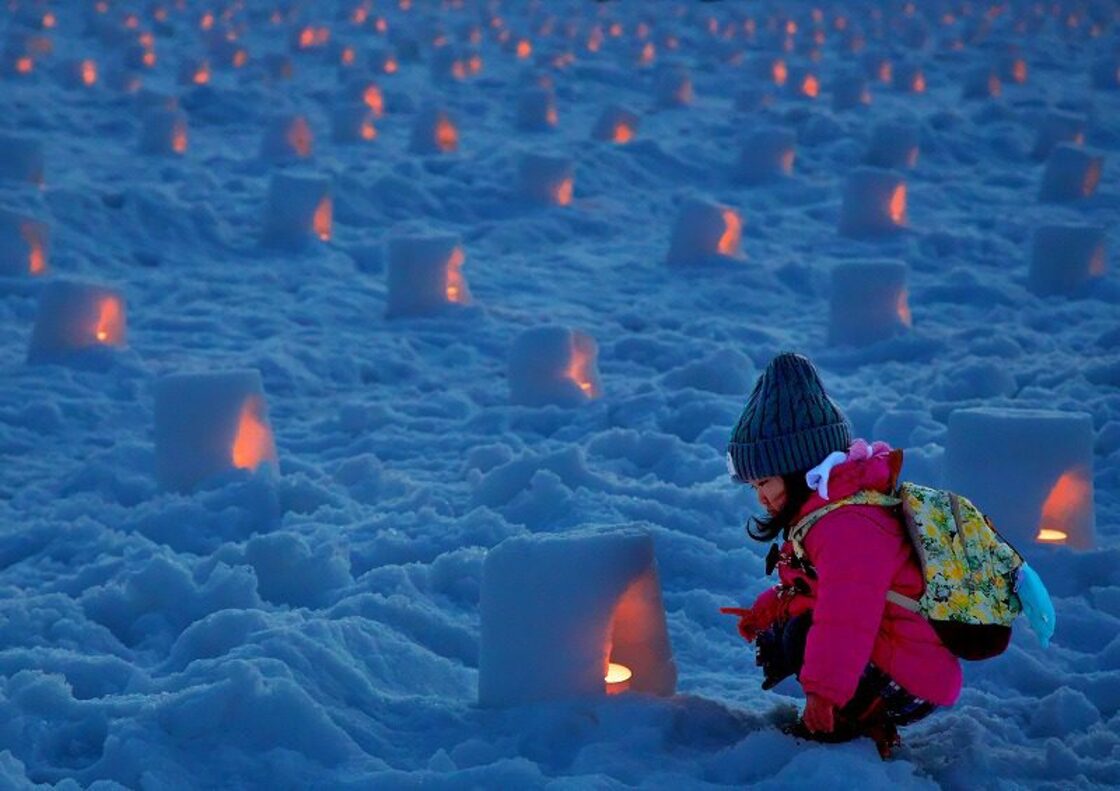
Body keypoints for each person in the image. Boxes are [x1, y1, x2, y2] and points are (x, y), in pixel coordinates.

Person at [721, 352, 962, 758]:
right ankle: (853, 709)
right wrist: (768, 611)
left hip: (913, 674)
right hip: (896, 652)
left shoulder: (847, 525)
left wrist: (823, 693)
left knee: (805, 634)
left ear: (798, 469)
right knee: (787, 633)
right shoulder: (831, 509)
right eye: (752, 487)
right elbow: (818, 586)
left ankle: (859, 721)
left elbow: (846, 613)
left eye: (765, 482)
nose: (760, 497)